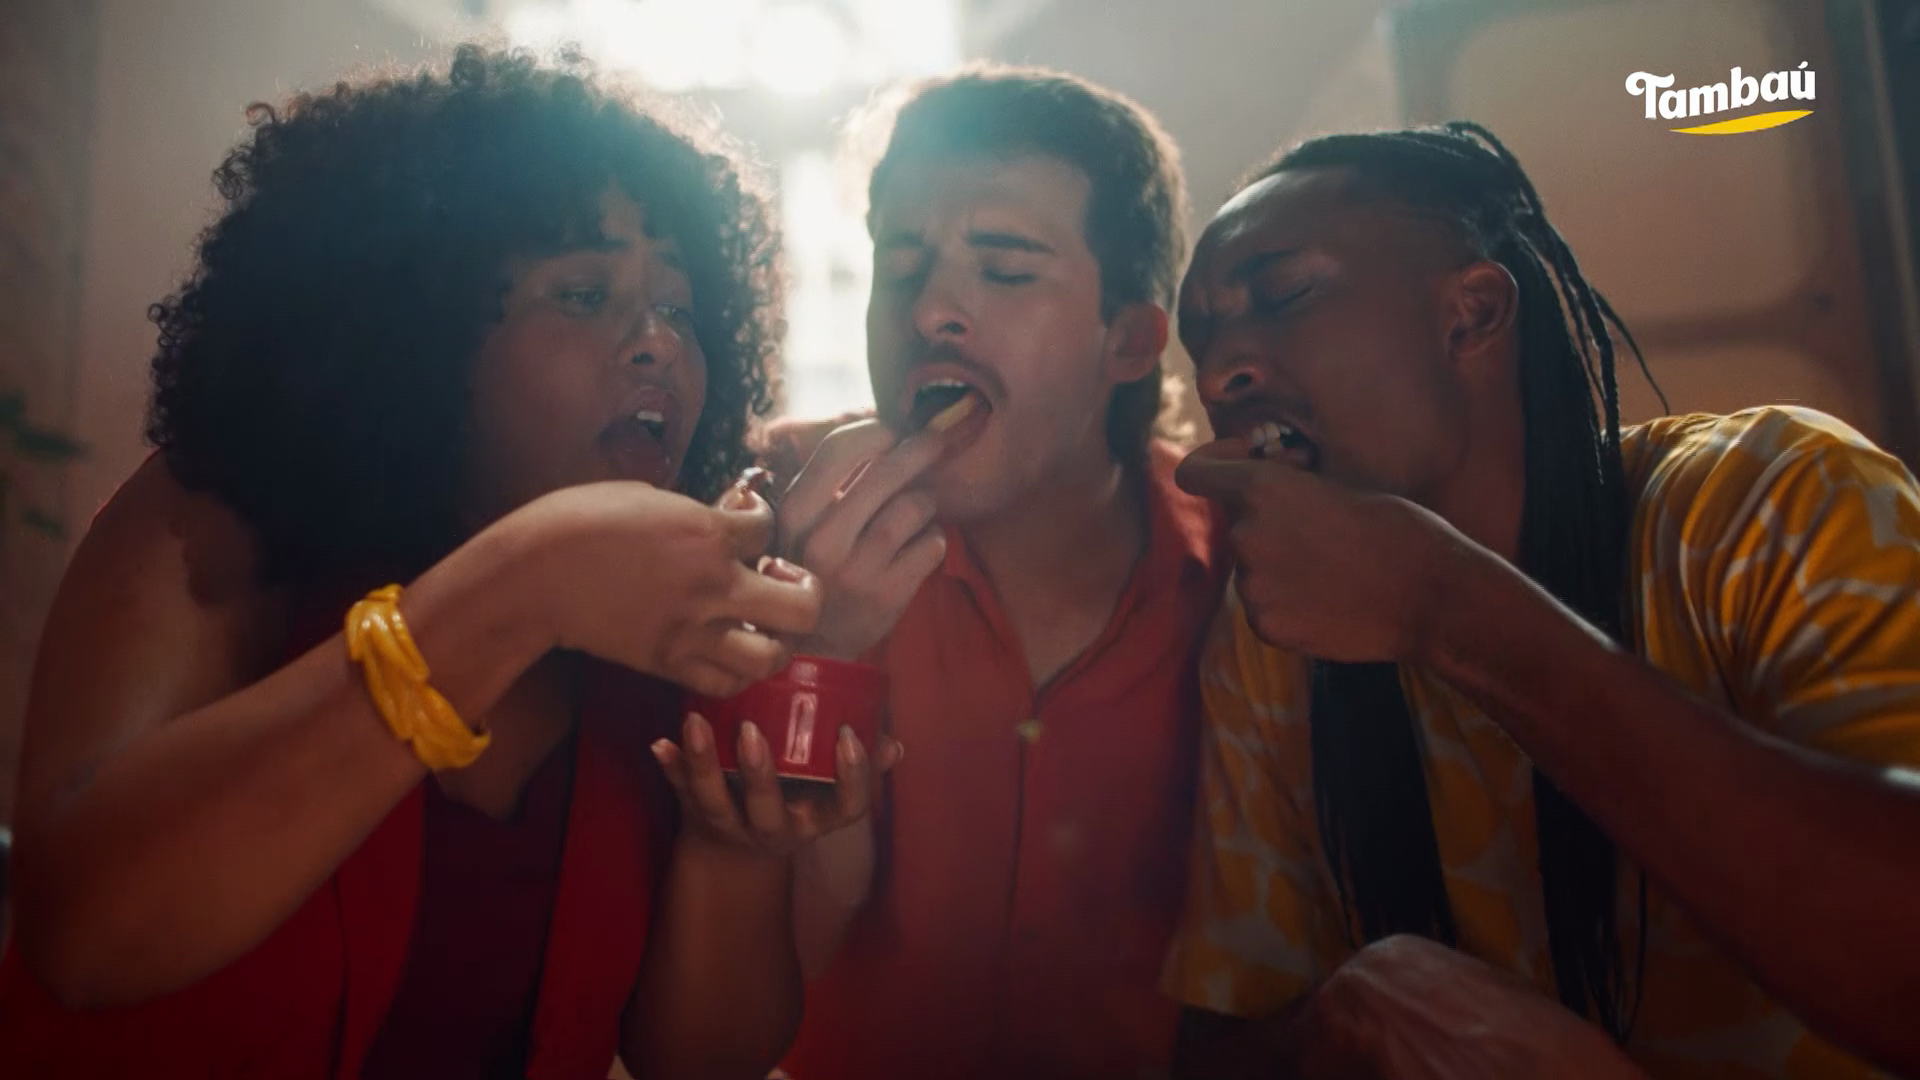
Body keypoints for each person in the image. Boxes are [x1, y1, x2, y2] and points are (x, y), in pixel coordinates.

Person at [0, 45, 893, 1080]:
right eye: (583, 292)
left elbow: (696, 1058)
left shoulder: (665, 623)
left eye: (681, 310)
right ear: (415, 329)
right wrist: (521, 589)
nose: (658, 342)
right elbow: (86, 939)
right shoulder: (218, 516)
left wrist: (732, 849)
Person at [1163, 121, 1920, 1080]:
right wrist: (1329, 1031)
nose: (1219, 373)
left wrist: (1446, 606)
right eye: (1202, 339)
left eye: (1284, 296)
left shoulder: (1769, 499)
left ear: (1472, 314)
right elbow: (1214, 1047)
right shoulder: (1271, 640)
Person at [758, 66, 1227, 1080]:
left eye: (1006, 271)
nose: (932, 310)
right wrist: (814, 655)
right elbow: (741, 999)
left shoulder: (1248, 582)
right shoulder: (781, 524)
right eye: (901, 262)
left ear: (1129, 340)